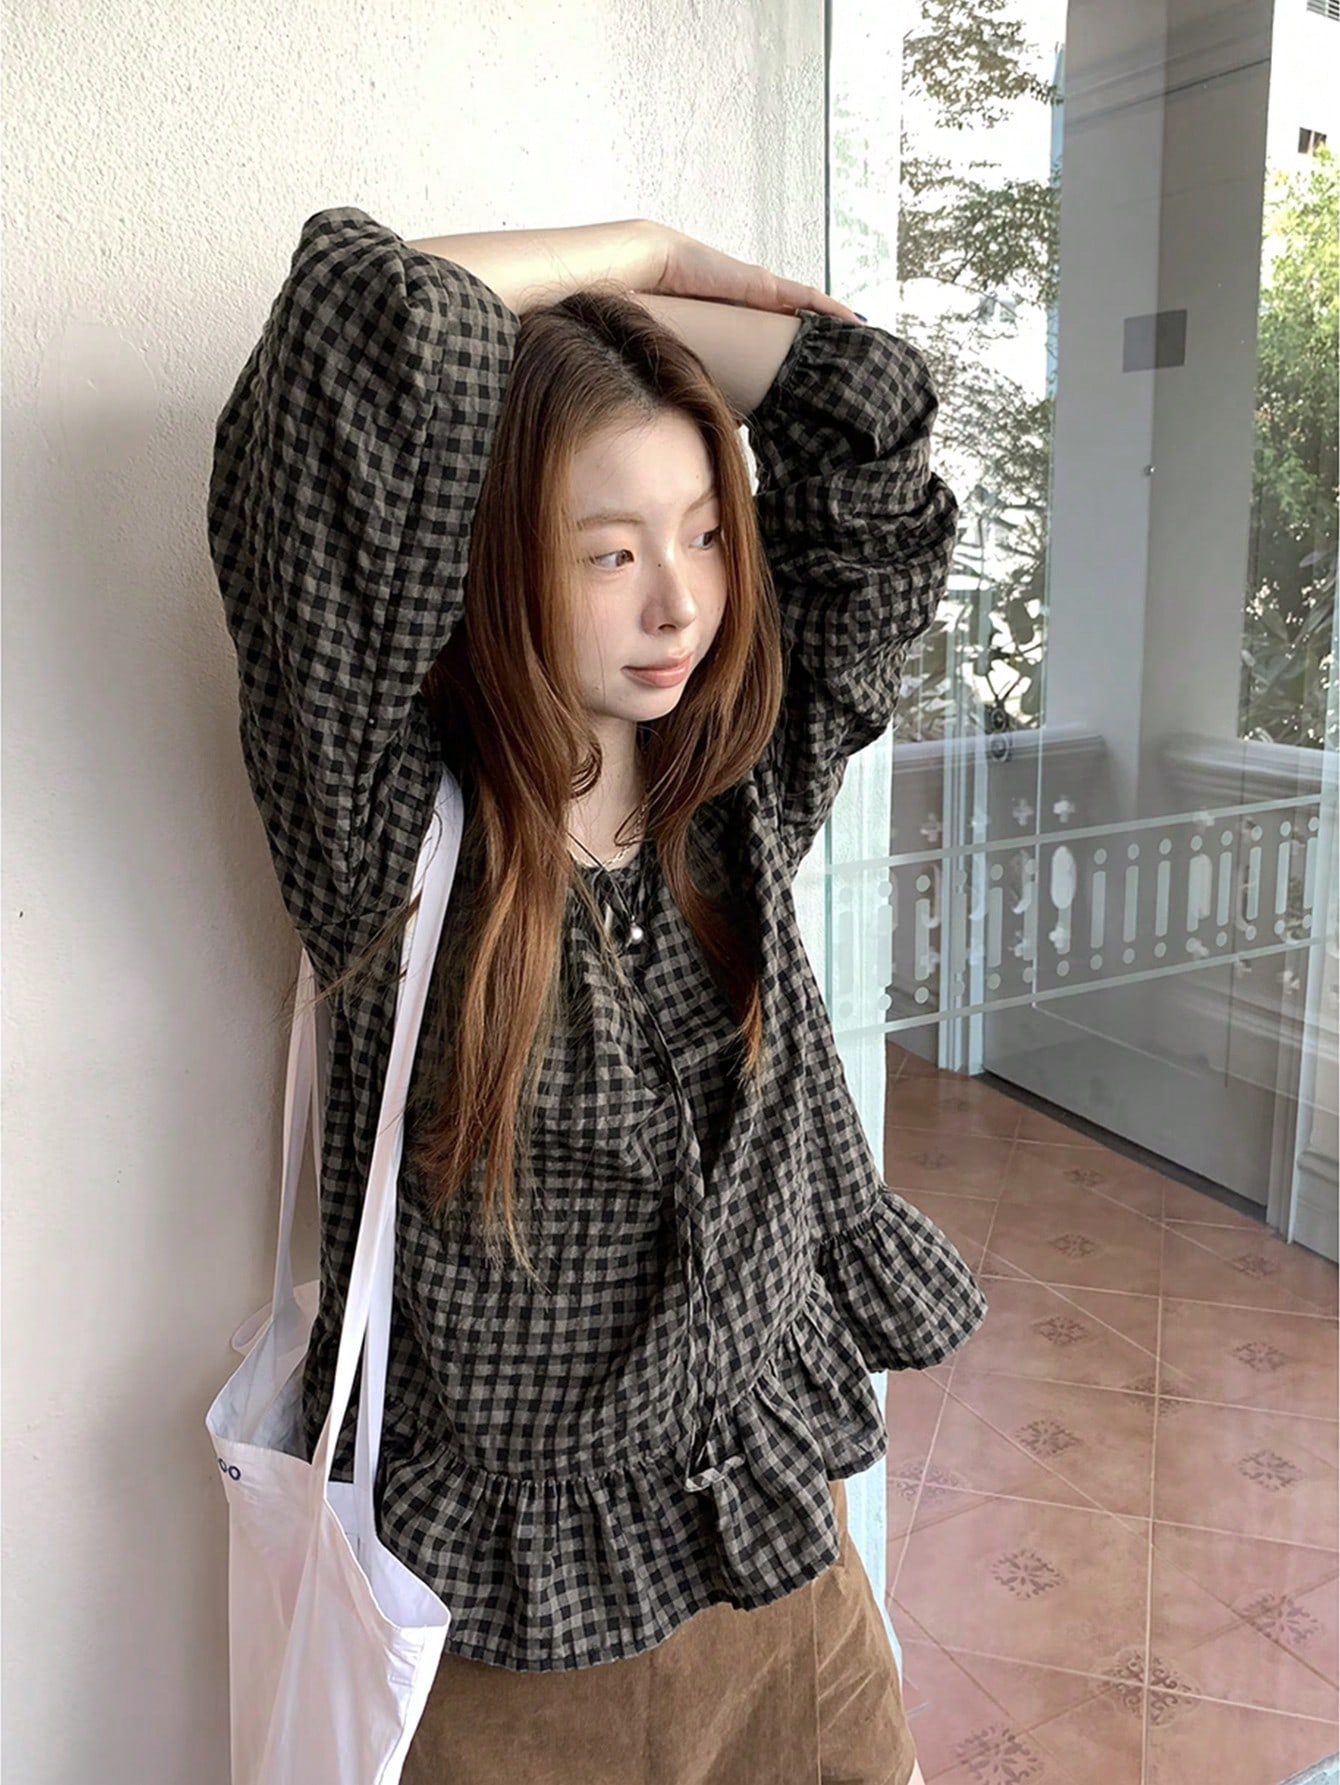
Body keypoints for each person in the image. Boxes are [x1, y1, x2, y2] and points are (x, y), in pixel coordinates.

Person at [206, 204, 987, 1785]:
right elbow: (354, 335)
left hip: (787, 1594)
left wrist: (648, 342)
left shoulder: (743, 793)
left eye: (704, 533)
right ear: (501, 559)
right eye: (609, 552)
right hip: (508, 1653)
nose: (678, 604)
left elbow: (872, 421)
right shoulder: (387, 836)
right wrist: (623, 258)